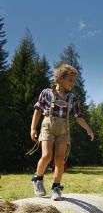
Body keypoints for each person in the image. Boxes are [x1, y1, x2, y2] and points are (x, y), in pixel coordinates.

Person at [30, 64, 94, 201]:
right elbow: (38, 110)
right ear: (60, 78)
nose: (73, 83)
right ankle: (38, 178)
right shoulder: (46, 93)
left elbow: (78, 116)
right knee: (47, 156)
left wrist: (88, 129)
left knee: (60, 159)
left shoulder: (73, 98)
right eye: (70, 80)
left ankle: (56, 188)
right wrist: (33, 128)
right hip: (48, 125)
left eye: (74, 80)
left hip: (64, 129)